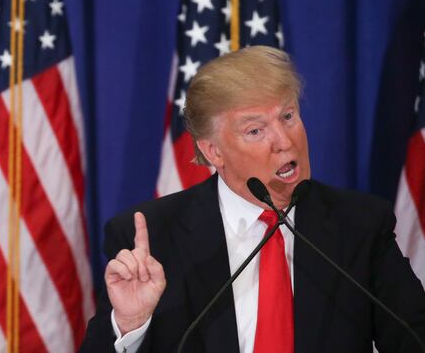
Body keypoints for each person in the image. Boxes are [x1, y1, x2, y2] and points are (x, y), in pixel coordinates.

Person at [80, 46, 425, 352]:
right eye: (255, 130)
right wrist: (130, 325)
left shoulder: (360, 226)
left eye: (288, 116)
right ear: (213, 151)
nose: (284, 141)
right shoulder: (153, 237)